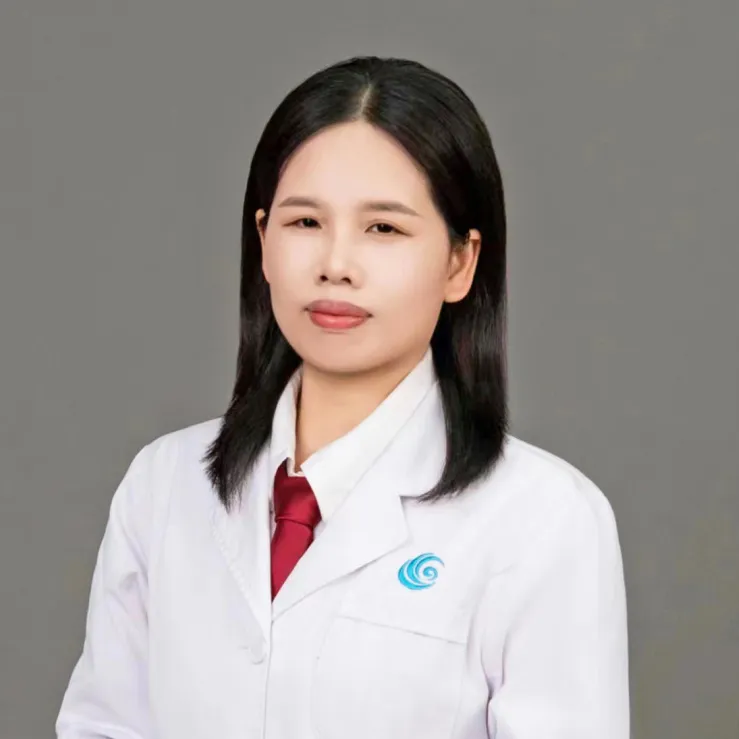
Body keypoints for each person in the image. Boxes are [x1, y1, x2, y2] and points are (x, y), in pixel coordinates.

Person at [55, 55, 629, 739]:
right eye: (305, 222)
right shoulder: (163, 486)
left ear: (459, 262)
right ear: (262, 242)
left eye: (383, 228)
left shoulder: (542, 519)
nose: (335, 264)